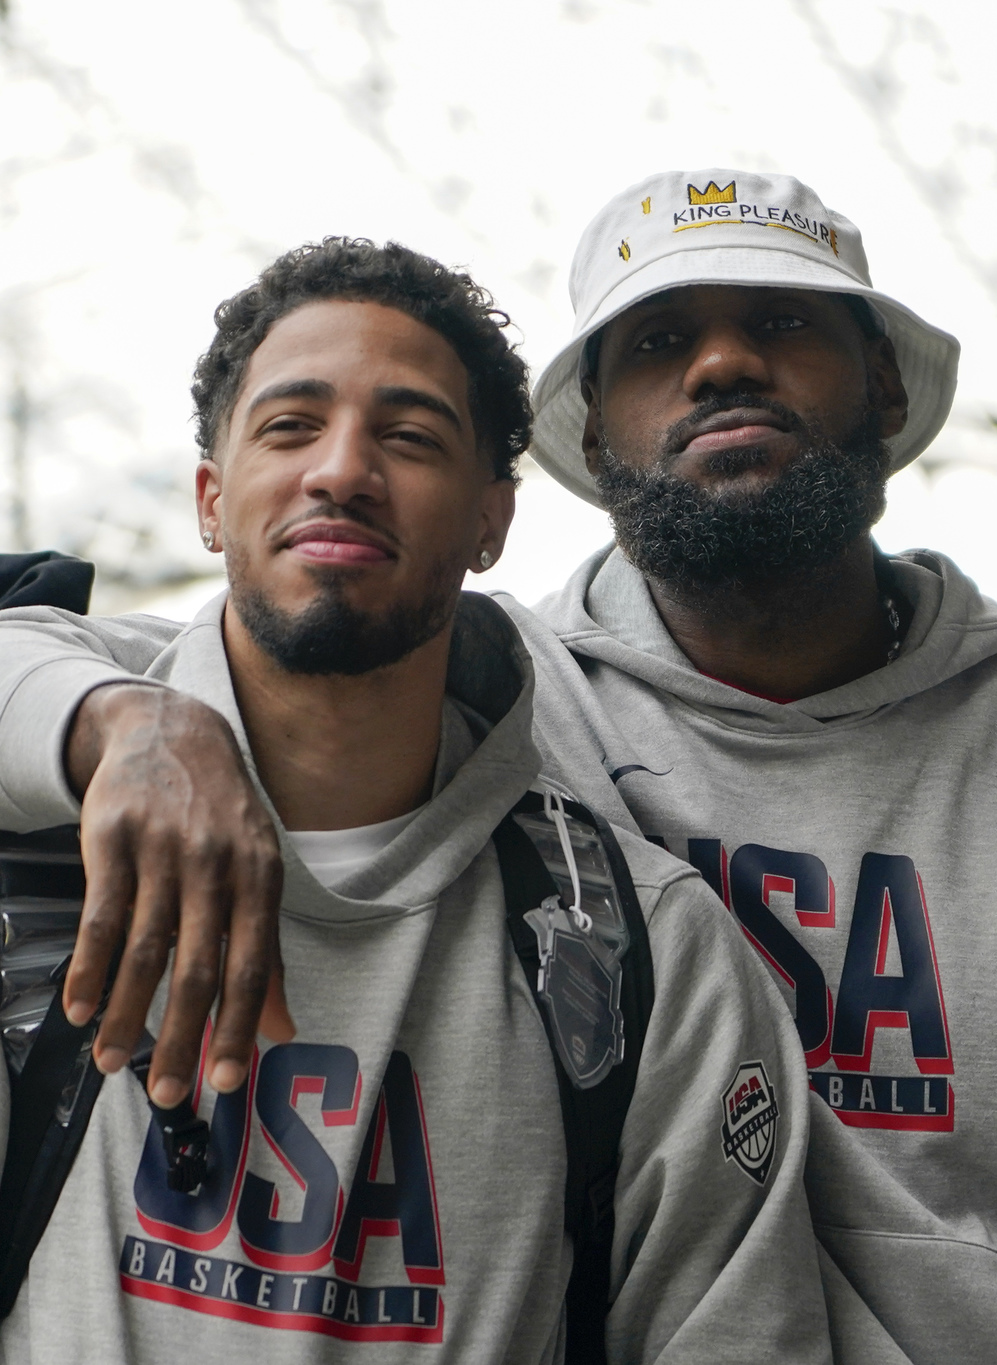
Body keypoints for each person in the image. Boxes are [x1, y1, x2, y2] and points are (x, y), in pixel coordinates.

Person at [0, 175, 997, 1360]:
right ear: (586, 439)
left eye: (779, 322)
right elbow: (90, 648)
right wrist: (130, 724)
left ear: (885, 384)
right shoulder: (472, 710)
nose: (721, 366)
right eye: (657, 342)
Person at [0, 238, 828, 1360]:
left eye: (409, 434)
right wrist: (126, 725)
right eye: (290, 425)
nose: (340, 469)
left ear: (493, 521)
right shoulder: (43, 835)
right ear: (210, 499)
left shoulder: (643, 954)